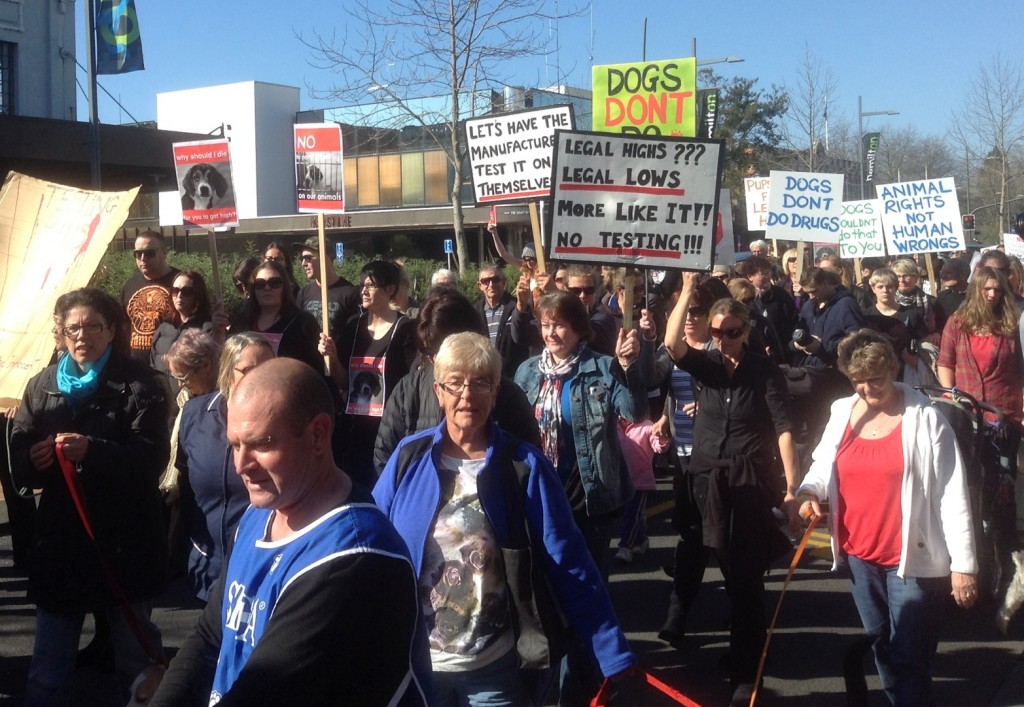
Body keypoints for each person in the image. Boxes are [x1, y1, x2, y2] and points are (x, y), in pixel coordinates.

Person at [374, 333, 638, 706]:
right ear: (439, 391)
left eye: (481, 382)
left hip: (494, 669)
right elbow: (369, 548)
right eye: (456, 383)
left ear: (495, 393)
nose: (468, 394)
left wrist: (611, 650)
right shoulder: (408, 458)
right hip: (418, 667)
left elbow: (569, 561)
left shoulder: (523, 466)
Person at [151, 358, 430, 706]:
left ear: (317, 434)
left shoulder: (355, 557)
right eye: (235, 444)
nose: (241, 466)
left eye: (261, 444)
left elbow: (266, 691)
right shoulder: (259, 516)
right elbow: (211, 635)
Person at [793, 329, 978, 706]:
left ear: (893, 368)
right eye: (857, 381)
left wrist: (964, 565)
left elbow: (952, 492)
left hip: (911, 560)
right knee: (879, 644)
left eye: (874, 379)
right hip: (860, 557)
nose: (865, 388)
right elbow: (823, 461)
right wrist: (809, 491)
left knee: (909, 654)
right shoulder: (842, 410)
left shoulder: (926, 418)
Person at [10, 287, 169, 705]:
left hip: (125, 544)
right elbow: (18, 457)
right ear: (61, 335)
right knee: (47, 670)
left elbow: (152, 460)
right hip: (62, 545)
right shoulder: (41, 385)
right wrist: (33, 458)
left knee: (135, 666)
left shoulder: (142, 384)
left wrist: (93, 451)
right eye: (72, 328)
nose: (82, 336)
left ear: (112, 330)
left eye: (93, 326)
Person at [662, 274, 800, 703]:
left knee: (744, 578)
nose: (722, 339)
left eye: (731, 333)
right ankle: (710, 635)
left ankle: (747, 668)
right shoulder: (708, 365)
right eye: (716, 332)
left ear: (747, 331)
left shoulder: (763, 370)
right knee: (711, 557)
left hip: (746, 479)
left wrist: (792, 487)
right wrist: (686, 290)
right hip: (705, 478)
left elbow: (783, 430)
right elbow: (672, 345)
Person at [513, 290, 645, 706]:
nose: (552, 332)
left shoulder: (602, 368)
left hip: (591, 504)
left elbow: (634, 410)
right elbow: (513, 430)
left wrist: (628, 366)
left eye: (560, 324)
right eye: (546, 324)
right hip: (540, 504)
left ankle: (579, 692)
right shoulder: (528, 372)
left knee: (585, 601)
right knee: (544, 603)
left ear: (578, 328)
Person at [373, 287, 540, 476]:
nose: (437, 360)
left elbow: (529, 464)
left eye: (444, 351)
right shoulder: (408, 391)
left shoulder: (506, 394)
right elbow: (385, 460)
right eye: (429, 353)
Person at [937, 264, 1023, 604]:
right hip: (966, 417)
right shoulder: (958, 322)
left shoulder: (1012, 322)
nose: (992, 294)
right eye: (986, 289)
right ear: (976, 290)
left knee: (1001, 487)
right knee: (966, 488)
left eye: (997, 290)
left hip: (1006, 416)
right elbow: (945, 361)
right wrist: (950, 397)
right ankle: (971, 560)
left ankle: (1005, 562)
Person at [172, 332, 275, 602]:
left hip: (262, 570)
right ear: (228, 372)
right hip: (207, 568)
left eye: (269, 369)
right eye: (249, 370)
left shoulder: (287, 423)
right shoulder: (194, 415)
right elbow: (185, 492)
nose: (261, 378)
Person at [334, 260, 417, 486]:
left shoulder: (405, 328)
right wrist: (331, 356)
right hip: (355, 429)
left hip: (389, 427)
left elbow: (410, 380)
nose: (363, 291)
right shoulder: (353, 326)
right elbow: (342, 380)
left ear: (389, 289)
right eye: (362, 285)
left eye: (370, 285)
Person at [242, 259, 322, 373]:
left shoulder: (303, 322)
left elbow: (316, 367)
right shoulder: (243, 321)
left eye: (275, 283)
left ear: (285, 287)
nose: (267, 288)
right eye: (260, 284)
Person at [151, 270, 228, 386]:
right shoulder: (163, 328)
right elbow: (152, 367)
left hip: (193, 400)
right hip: (162, 399)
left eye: (187, 291)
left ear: (198, 295)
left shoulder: (207, 330)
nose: (179, 296)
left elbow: (216, 368)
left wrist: (219, 332)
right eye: (175, 290)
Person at [862, 268, 931, 384]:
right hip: (875, 373)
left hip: (907, 373)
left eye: (889, 286)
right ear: (873, 289)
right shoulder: (865, 316)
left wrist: (917, 359)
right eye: (880, 287)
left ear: (896, 287)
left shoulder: (911, 314)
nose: (885, 290)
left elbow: (925, 343)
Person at [121, 230, 180, 361]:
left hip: (169, 365)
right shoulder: (129, 285)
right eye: (137, 254)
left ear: (164, 252)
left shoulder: (180, 282)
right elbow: (124, 326)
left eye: (149, 253)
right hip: (136, 367)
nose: (142, 259)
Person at [292, 237, 360, 346]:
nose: (303, 263)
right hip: (310, 361)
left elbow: (355, 336)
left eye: (308, 258)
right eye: (302, 258)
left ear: (326, 258)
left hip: (336, 360)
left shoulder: (349, 293)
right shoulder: (304, 293)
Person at [475, 263, 533, 377]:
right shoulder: (474, 312)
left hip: (514, 375)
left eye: (496, 279)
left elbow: (524, 337)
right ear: (480, 286)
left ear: (504, 282)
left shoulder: (518, 306)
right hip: (485, 375)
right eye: (486, 281)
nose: (491, 284)